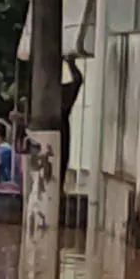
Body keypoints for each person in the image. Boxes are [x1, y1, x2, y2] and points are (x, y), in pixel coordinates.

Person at [61, 56, 83, 189]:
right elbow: (78, 80)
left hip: (60, 130)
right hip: (60, 130)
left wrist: (70, 63)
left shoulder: (60, 93)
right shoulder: (62, 92)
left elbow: (77, 81)